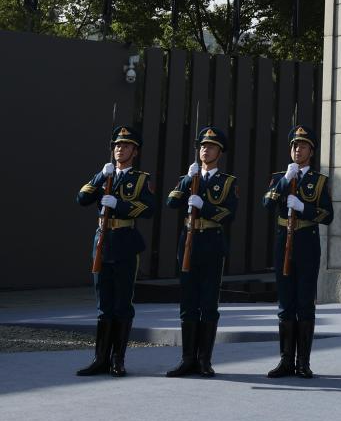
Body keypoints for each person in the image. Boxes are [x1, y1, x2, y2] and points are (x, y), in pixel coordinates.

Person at [75, 125, 155, 377]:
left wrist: (119, 204)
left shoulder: (141, 179)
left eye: (126, 145)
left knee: (122, 304)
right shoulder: (105, 175)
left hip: (124, 243)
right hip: (102, 242)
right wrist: (100, 176)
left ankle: (117, 360)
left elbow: (149, 209)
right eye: (117, 145)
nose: (120, 149)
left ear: (135, 151)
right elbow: (82, 199)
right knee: (104, 306)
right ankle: (100, 359)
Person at [164, 126, 238, 377]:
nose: (205, 150)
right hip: (188, 241)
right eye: (203, 146)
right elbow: (172, 202)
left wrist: (203, 206)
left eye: (211, 147)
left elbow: (229, 214)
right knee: (188, 303)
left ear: (220, 152)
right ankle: (187, 359)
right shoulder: (189, 177)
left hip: (211, 242)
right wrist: (187, 180)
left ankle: (204, 360)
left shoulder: (227, 182)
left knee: (208, 303)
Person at [262, 124, 333, 379]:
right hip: (284, 241)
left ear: (311, 151)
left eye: (302, 146)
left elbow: (327, 215)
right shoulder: (279, 177)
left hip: (306, 242)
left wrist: (304, 208)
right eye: (294, 145)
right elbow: (267, 203)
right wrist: (285, 181)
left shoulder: (319, 181)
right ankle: (285, 361)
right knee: (285, 304)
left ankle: (303, 362)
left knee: (304, 303)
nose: (297, 150)